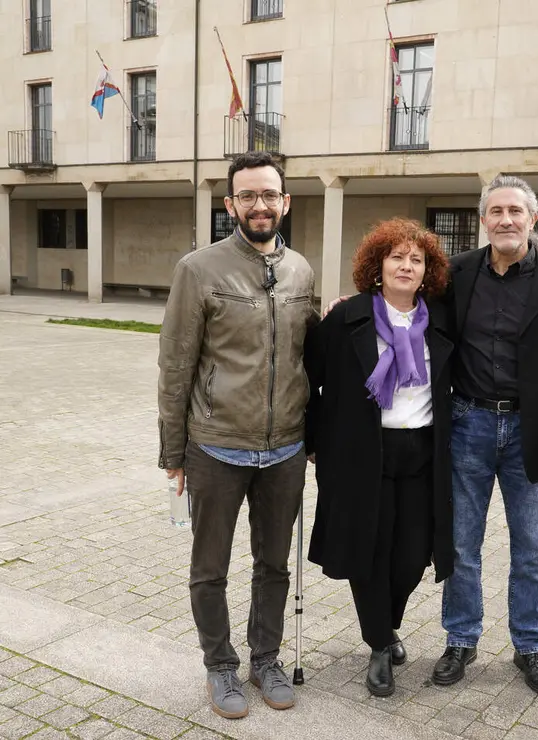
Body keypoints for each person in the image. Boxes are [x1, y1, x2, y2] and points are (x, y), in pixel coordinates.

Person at [157, 151, 317, 719]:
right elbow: (176, 364)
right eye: (247, 196)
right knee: (211, 567)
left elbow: (309, 360)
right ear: (230, 205)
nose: (259, 205)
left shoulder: (301, 270)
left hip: (287, 449)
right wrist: (172, 451)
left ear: (285, 201)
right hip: (216, 446)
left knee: (275, 564)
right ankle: (220, 665)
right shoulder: (198, 269)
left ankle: (265, 658)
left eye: (268, 194)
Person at [432, 175, 538, 695]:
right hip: (467, 423)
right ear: (483, 221)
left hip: (530, 430)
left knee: (531, 548)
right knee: (461, 543)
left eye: (515, 212)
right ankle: (461, 638)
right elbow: (412, 317)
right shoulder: (453, 275)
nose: (505, 220)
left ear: (533, 219)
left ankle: (530, 645)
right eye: (496, 211)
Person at [305, 218, 454, 698]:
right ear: (378, 266)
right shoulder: (346, 319)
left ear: (426, 270)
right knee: (369, 554)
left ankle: (387, 627)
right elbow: (310, 379)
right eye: (397, 257)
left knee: (412, 558)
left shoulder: (441, 321)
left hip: (422, 454)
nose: (406, 266)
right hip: (359, 453)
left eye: (416, 259)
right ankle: (377, 647)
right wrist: (312, 440)